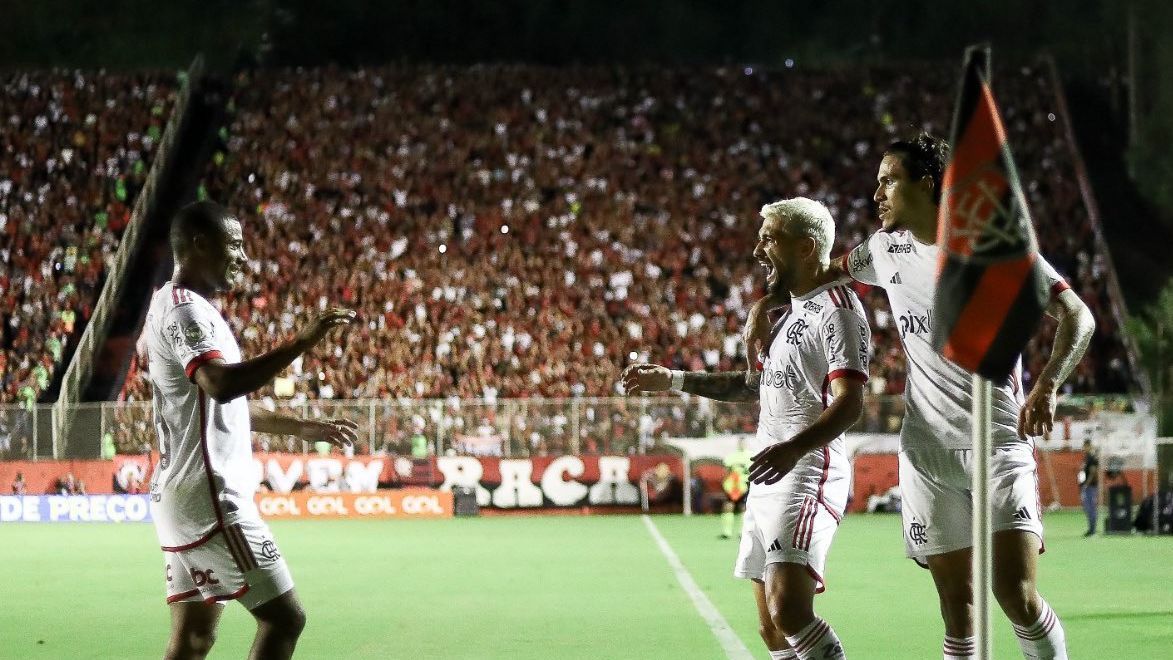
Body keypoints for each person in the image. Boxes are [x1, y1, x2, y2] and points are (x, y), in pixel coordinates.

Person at [770, 133, 1094, 660]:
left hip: (998, 444)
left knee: (1015, 596)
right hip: (926, 453)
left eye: (888, 181)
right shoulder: (881, 249)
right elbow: (823, 274)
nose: (876, 194)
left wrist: (1049, 382)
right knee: (957, 606)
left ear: (926, 185)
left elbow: (1078, 314)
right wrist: (773, 302)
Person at [624, 197, 867, 660]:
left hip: (807, 466)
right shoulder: (789, 313)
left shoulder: (838, 309)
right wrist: (673, 380)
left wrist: (793, 449)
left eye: (769, 238)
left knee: (790, 610)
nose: (757, 249)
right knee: (771, 631)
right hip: (772, 469)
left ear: (805, 246)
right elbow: (751, 386)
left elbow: (851, 403)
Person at [143, 200, 360, 660]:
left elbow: (215, 403)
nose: (243, 257)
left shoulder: (173, 304)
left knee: (193, 638)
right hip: (210, 498)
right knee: (285, 618)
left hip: (178, 495)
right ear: (201, 244)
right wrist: (302, 341)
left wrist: (300, 428)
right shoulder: (186, 311)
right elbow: (220, 385)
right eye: (235, 245)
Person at [721, 437, 752, 539]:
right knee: (728, 506)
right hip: (733, 485)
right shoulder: (732, 456)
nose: (742, 444)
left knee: (744, 507)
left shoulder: (751, 455)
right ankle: (727, 532)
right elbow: (727, 470)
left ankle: (742, 531)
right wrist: (726, 482)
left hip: (745, 484)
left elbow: (753, 471)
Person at [1078, 439, 1100, 537]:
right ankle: (1090, 528)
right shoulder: (1087, 458)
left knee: (1091, 508)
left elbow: (1093, 472)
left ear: (1089, 446)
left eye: (1085, 446)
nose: (1083, 448)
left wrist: (1086, 484)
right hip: (1086, 486)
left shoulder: (1092, 458)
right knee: (1088, 508)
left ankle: (1093, 529)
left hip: (1090, 486)